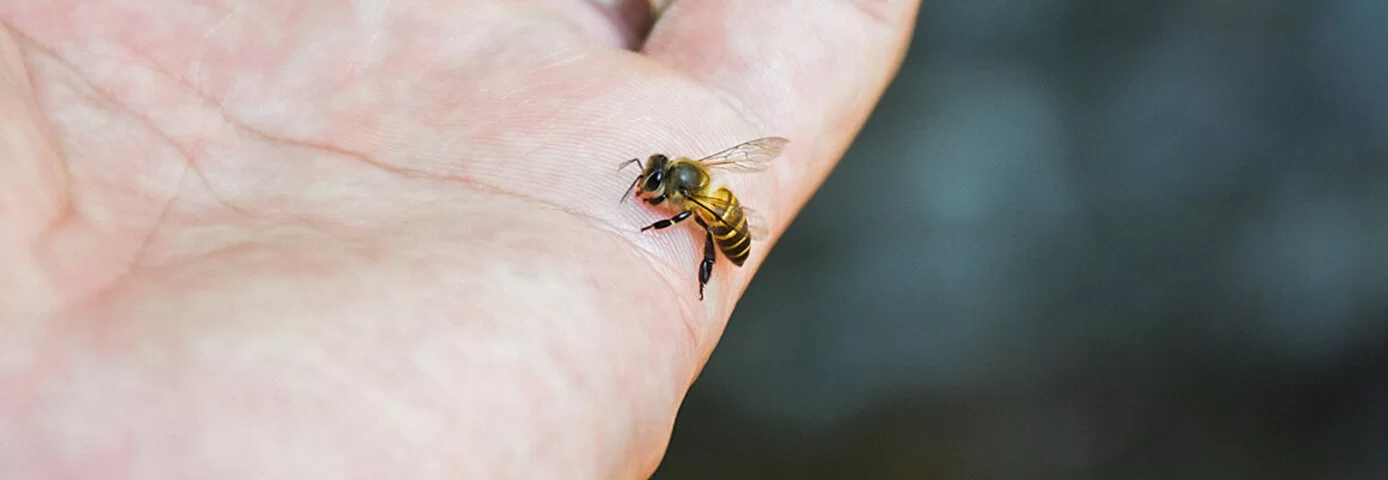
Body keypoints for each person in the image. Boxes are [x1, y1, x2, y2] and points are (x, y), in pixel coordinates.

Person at [0, 0, 918, 477]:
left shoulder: (687, 202)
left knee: (705, 231)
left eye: (658, 189)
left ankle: (705, 263)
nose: (655, 191)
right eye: (661, 188)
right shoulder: (685, 177)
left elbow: (694, 206)